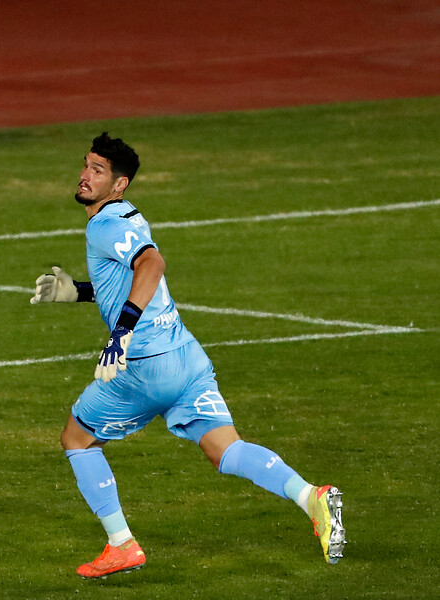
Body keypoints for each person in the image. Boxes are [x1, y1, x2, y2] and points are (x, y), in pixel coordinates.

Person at [30, 132, 346, 578]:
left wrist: (121, 333)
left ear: (119, 185)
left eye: (97, 171)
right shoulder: (127, 216)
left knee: (77, 438)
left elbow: (152, 265)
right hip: (186, 358)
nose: (84, 176)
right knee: (224, 450)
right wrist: (80, 291)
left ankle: (122, 545)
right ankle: (312, 497)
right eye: (85, 165)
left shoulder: (104, 224)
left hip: (145, 367)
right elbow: (133, 274)